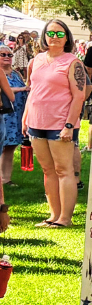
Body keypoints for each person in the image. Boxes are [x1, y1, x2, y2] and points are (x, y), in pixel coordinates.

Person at [22, 20, 88, 226]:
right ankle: (53, 215)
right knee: (48, 170)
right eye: (51, 33)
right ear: (44, 36)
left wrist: (69, 125)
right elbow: (32, 90)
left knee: (63, 170)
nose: (55, 37)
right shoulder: (37, 60)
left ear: (67, 38)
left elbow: (79, 96)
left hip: (61, 124)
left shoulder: (73, 62)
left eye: (60, 34)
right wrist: (25, 118)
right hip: (36, 122)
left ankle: (65, 218)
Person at [0, 44, 21, 228]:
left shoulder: (16, 74)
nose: (7, 57)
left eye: (9, 54)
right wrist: (22, 90)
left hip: (15, 115)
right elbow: (10, 94)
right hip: (4, 115)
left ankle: (6, 178)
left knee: (11, 147)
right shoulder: (1, 73)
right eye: (3, 54)